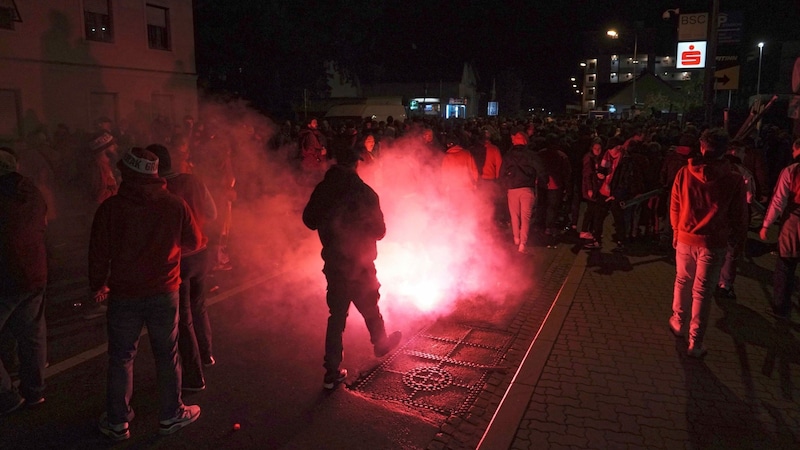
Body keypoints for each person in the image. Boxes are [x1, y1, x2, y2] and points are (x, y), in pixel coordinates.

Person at [89, 147, 203, 440]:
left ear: (127, 173)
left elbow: (98, 253)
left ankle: (117, 421)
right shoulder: (174, 205)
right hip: (164, 291)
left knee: (121, 357)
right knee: (167, 354)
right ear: (154, 174)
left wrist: (98, 284)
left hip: (124, 293)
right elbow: (196, 241)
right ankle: (170, 415)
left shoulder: (111, 208)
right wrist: (170, 253)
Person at [302, 146, 402, 390]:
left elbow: (309, 220)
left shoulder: (323, 190)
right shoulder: (366, 193)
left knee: (336, 317)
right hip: (361, 263)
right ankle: (380, 343)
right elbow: (379, 231)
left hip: (335, 262)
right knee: (370, 305)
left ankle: (332, 371)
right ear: (357, 164)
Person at [669, 128, 748, 357]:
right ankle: (695, 342)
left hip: (685, 236)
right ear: (726, 150)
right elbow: (739, 217)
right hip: (714, 242)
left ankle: (677, 320)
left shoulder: (684, 173)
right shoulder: (734, 179)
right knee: (702, 292)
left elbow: (674, 205)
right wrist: (737, 242)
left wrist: (676, 230)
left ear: (702, 147)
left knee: (682, 281)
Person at [147, 144, 218, 389]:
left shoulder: (158, 191)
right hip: (201, 253)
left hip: (178, 257)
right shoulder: (193, 181)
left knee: (183, 316)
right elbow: (213, 212)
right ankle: (206, 355)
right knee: (199, 306)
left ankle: (193, 376)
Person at [0, 148, 48, 415]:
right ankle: (35, 391)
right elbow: (43, 225)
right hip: (35, 272)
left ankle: (6, 396)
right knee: (32, 335)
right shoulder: (33, 193)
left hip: (5, 277)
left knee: (28, 334)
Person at [759, 137, 800, 320]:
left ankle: (781, 307)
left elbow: (779, 200)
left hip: (794, 220)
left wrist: (766, 224)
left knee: (785, 265)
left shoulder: (791, 171)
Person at [500, 127, 543, 254]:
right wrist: (543, 181)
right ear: (525, 141)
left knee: (515, 216)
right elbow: (540, 169)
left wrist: (503, 185)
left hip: (512, 189)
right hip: (527, 189)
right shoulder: (531, 155)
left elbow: (501, 173)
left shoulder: (508, 155)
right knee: (526, 217)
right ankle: (523, 244)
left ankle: (516, 238)